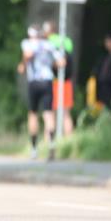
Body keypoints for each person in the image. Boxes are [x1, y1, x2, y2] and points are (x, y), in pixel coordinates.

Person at [18, 25, 65, 161]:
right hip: (47, 81)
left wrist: (23, 63)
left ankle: (34, 149)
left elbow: (27, 56)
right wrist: (50, 63)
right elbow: (61, 62)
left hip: (34, 81)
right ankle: (51, 144)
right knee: (48, 114)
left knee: (33, 114)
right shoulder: (49, 45)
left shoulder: (28, 43)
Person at [43, 20, 74, 136]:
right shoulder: (66, 41)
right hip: (66, 81)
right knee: (66, 113)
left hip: (53, 82)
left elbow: (59, 62)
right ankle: (69, 140)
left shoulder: (47, 43)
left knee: (49, 113)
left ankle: (48, 140)